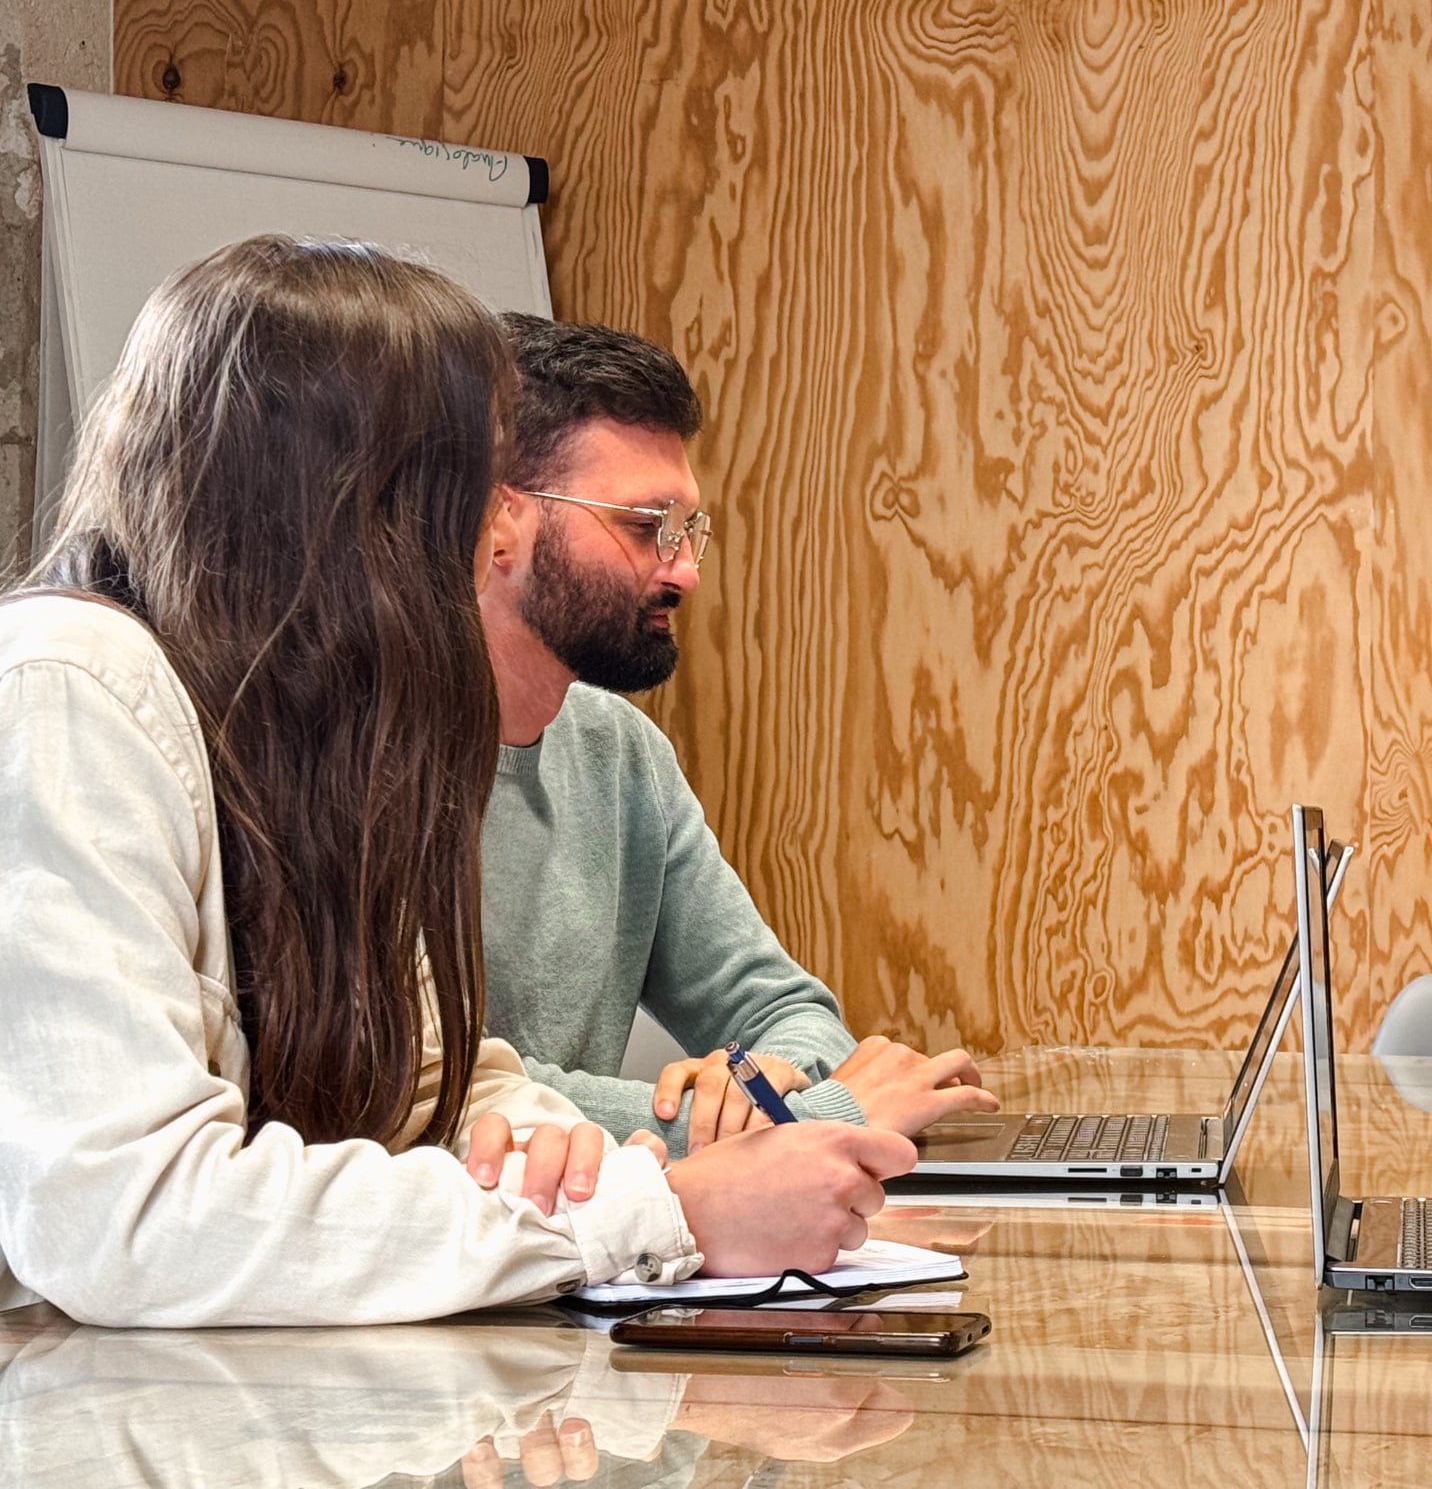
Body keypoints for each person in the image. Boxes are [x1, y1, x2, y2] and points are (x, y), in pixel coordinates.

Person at [0, 236, 912, 1327]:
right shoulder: (70, 692)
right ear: (339, 499)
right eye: (474, 491)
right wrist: (650, 1209)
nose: (501, 536)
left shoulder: (319, 722)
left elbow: (428, 1084)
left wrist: (542, 1143)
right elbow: (126, 1222)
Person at [476, 313, 994, 1151]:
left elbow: (785, 1011)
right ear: (502, 523)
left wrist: (764, 1081)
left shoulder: (620, 752)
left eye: (687, 532)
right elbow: (448, 1100)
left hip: (600, 1253)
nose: (686, 570)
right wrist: (831, 1116)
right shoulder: (364, 763)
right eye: (647, 529)